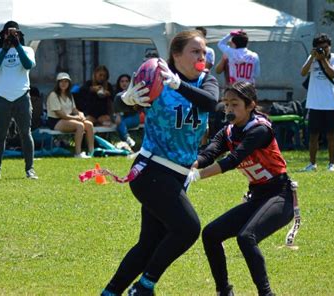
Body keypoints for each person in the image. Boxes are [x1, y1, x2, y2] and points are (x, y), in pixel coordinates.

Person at [101, 30, 219, 296]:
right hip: (151, 170)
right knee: (188, 228)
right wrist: (127, 99)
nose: (202, 56)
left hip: (177, 175)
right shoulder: (157, 76)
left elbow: (211, 103)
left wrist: (179, 85)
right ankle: (144, 288)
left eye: (203, 51)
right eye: (195, 51)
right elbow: (120, 105)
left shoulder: (206, 80)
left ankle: (110, 293)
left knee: (148, 244)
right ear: (176, 55)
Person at [187, 82, 294, 296]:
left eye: (234, 104)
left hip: (280, 196)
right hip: (258, 196)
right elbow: (208, 154)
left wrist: (195, 176)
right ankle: (224, 292)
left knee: (246, 237)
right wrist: (189, 166)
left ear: (250, 105)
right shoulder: (228, 131)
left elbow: (233, 160)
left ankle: (266, 294)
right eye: (226, 104)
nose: (228, 109)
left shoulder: (260, 129)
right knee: (211, 234)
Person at [0, 20, 37, 179]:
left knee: (25, 133)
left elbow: (28, 65)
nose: (11, 36)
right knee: (0, 134)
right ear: (3, 35)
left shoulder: (27, 49)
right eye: (8, 34)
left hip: (21, 95)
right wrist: (5, 49)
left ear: (19, 35)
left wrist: (18, 46)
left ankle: (30, 169)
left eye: (14, 34)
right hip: (2, 96)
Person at [300, 33, 334, 172]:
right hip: (314, 103)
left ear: (329, 46)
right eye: (320, 48)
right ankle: (312, 164)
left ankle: (331, 164)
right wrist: (312, 57)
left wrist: (323, 60)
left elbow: (332, 73)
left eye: (325, 47)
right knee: (313, 135)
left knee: (330, 135)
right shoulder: (313, 58)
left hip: (330, 103)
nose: (323, 50)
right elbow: (303, 72)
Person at [46, 72, 94, 158]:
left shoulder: (69, 95)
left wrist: (80, 114)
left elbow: (74, 109)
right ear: (58, 83)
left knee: (89, 124)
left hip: (68, 119)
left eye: (66, 81)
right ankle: (78, 153)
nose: (64, 84)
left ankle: (91, 152)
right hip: (55, 121)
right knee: (79, 125)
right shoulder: (53, 95)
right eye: (61, 81)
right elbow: (60, 114)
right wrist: (76, 118)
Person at [113, 74, 139, 147]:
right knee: (119, 123)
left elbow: (137, 108)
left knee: (121, 124)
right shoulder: (117, 95)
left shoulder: (135, 92)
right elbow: (115, 112)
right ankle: (127, 143)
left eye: (127, 81)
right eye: (122, 81)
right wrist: (117, 115)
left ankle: (126, 140)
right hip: (122, 117)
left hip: (134, 117)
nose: (124, 83)